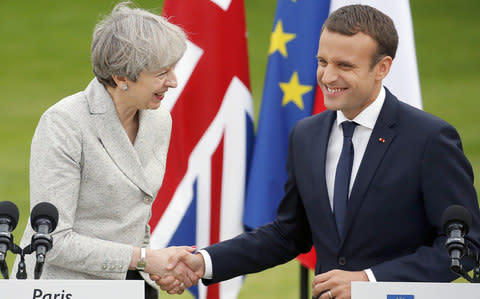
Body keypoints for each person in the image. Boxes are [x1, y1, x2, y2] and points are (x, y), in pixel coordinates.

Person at [154, 4, 480, 299]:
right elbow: (288, 233)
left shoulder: (429, 139)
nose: (328, 76)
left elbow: (464, 247)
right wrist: (203, 262)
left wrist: (370, 281)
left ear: (382, 67)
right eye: (322, 62)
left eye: (345, 65)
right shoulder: (306, 135)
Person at [12, 2, 199, 298]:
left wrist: (153, 267)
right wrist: (146, 259)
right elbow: (54, 241)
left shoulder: (159, 118)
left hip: (131, 284)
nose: (173, 82)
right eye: (162, 73)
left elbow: (135, 214)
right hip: (64, 287)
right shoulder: (64, 124)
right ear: (121, 77)